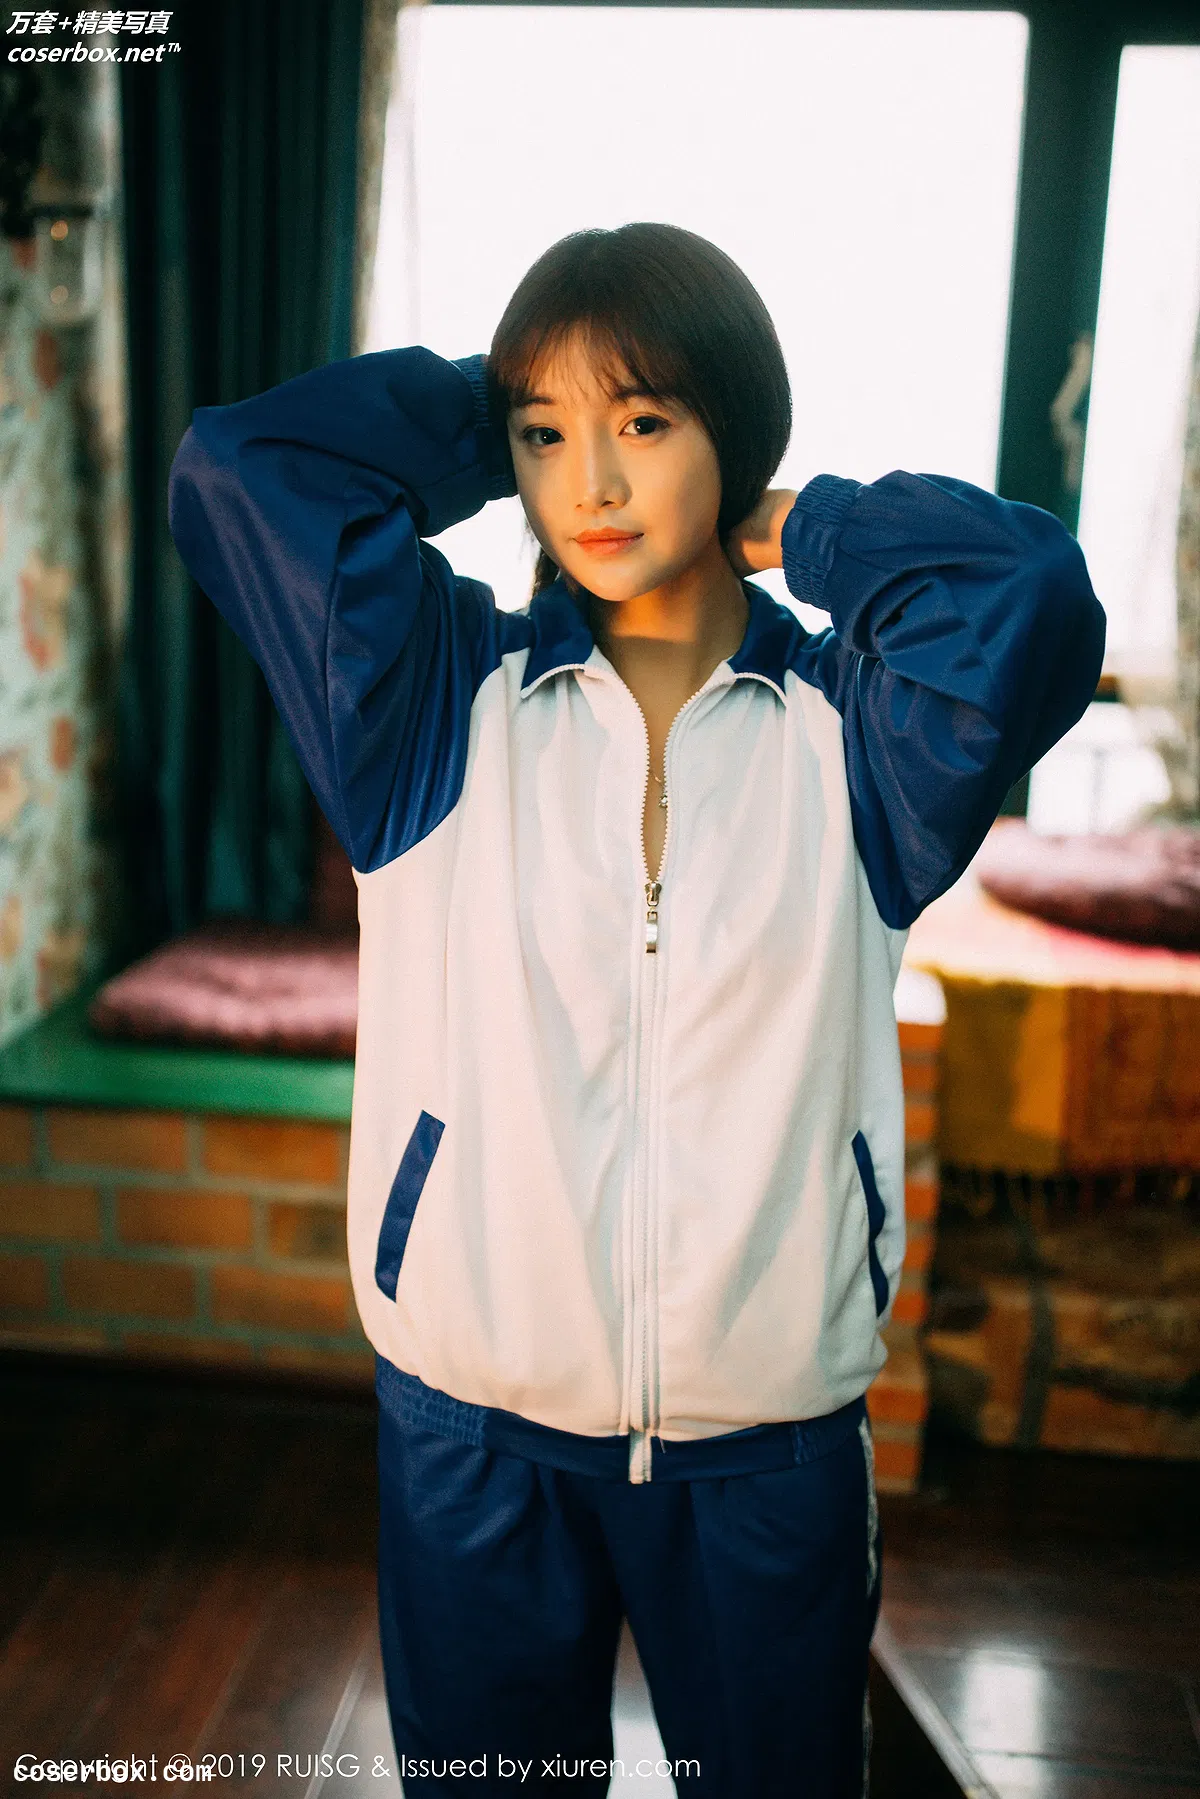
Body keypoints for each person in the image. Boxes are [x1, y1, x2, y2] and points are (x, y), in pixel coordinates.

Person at [168, 222, 1105, 1796]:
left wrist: (806, 527)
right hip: (474, 1426)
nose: (592, 483)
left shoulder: (864, 740)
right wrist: (492, 417)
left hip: (768, 1440)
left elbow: (1032, 593)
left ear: (732, 432)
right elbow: (240, 470)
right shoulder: (428, 706)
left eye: (646, 423)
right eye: (549, 435)